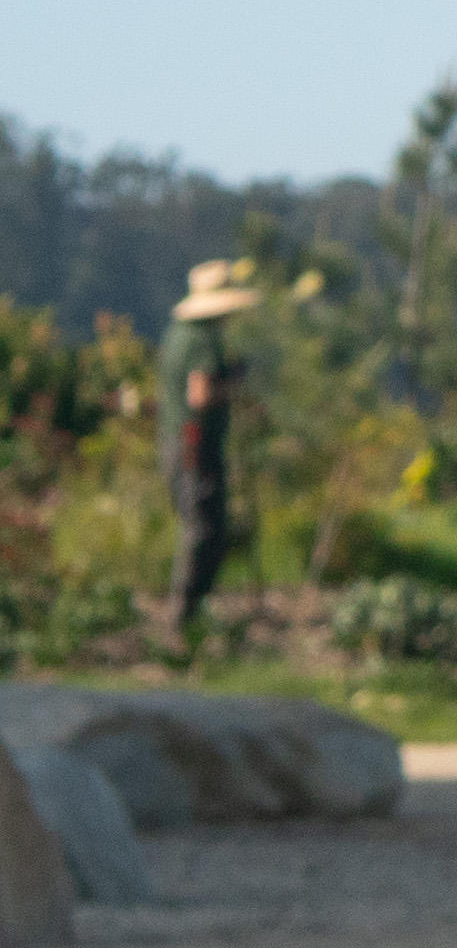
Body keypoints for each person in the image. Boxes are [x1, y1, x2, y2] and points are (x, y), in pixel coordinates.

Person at [163, 259, 256, 656]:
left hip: (178, 442)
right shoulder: (203, 341)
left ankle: (190, 617)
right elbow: (199, 397)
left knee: (203, 527)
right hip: (194, 443)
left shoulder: (179, 334)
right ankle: (184, 620)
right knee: (204, 530)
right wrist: (233, 383)